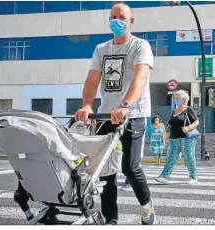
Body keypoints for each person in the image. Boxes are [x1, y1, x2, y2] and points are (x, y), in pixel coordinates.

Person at [73, 3, 155, 225]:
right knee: (105, 171)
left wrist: (126, 104)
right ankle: (111, 220)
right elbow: (92, 80)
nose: (116, 21)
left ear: (131, 21)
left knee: (129, 167)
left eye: (121, 17)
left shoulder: (140, 46)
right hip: (105, 115)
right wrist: (88, 105)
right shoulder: (101, 49)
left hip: (134, 114)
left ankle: (147, 206)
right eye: (113, 17)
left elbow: (140, 77)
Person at [155, 90, 199, 185]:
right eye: (175, 98)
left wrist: (188, 128)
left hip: (186, 138)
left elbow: (196, 122)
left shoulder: (188, 109)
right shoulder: (173, 111)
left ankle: (193, 177)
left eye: (177, 98)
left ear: (183, 99)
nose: (175, 100)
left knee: (189, 157)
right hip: (173, 138)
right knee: (170, 157)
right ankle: (164, 176)